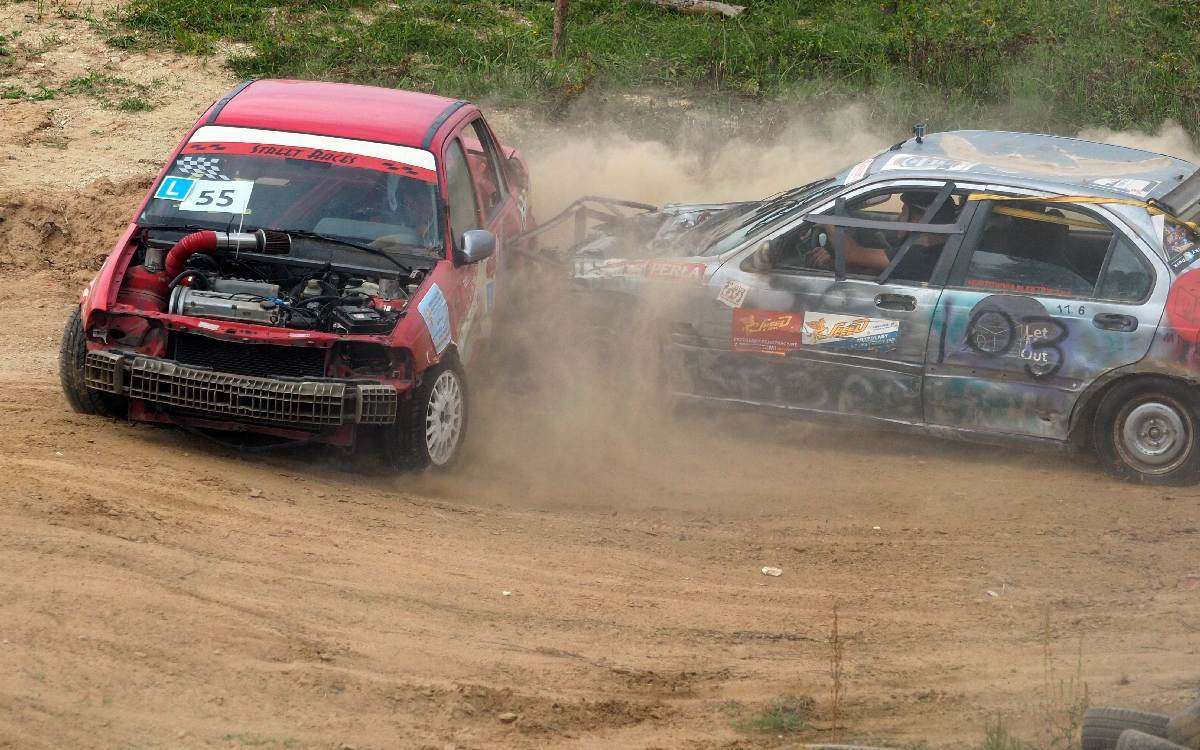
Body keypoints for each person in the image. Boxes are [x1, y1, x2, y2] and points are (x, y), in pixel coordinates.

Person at [808, 191, 959, 281]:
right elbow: (873, 272)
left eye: (903, 212)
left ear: (917, 220)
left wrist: (827, 221)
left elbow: (850, 254)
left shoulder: (918, 256)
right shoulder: (941, 248)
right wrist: (831, 265)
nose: (899, 218)